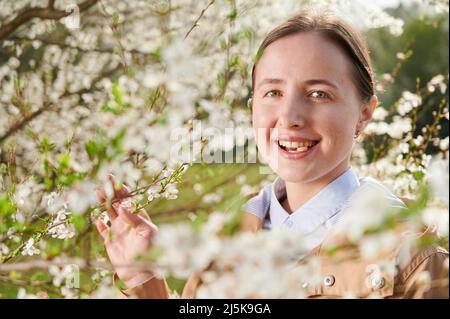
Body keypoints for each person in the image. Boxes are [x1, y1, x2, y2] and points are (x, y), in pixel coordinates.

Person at [96, 11, 449, 299]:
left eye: (319, 94)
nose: (290, 118)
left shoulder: (413, 258)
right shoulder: (226, 244)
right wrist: (142, 276)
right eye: (273, 93)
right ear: (253, 108)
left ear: (364, 114)